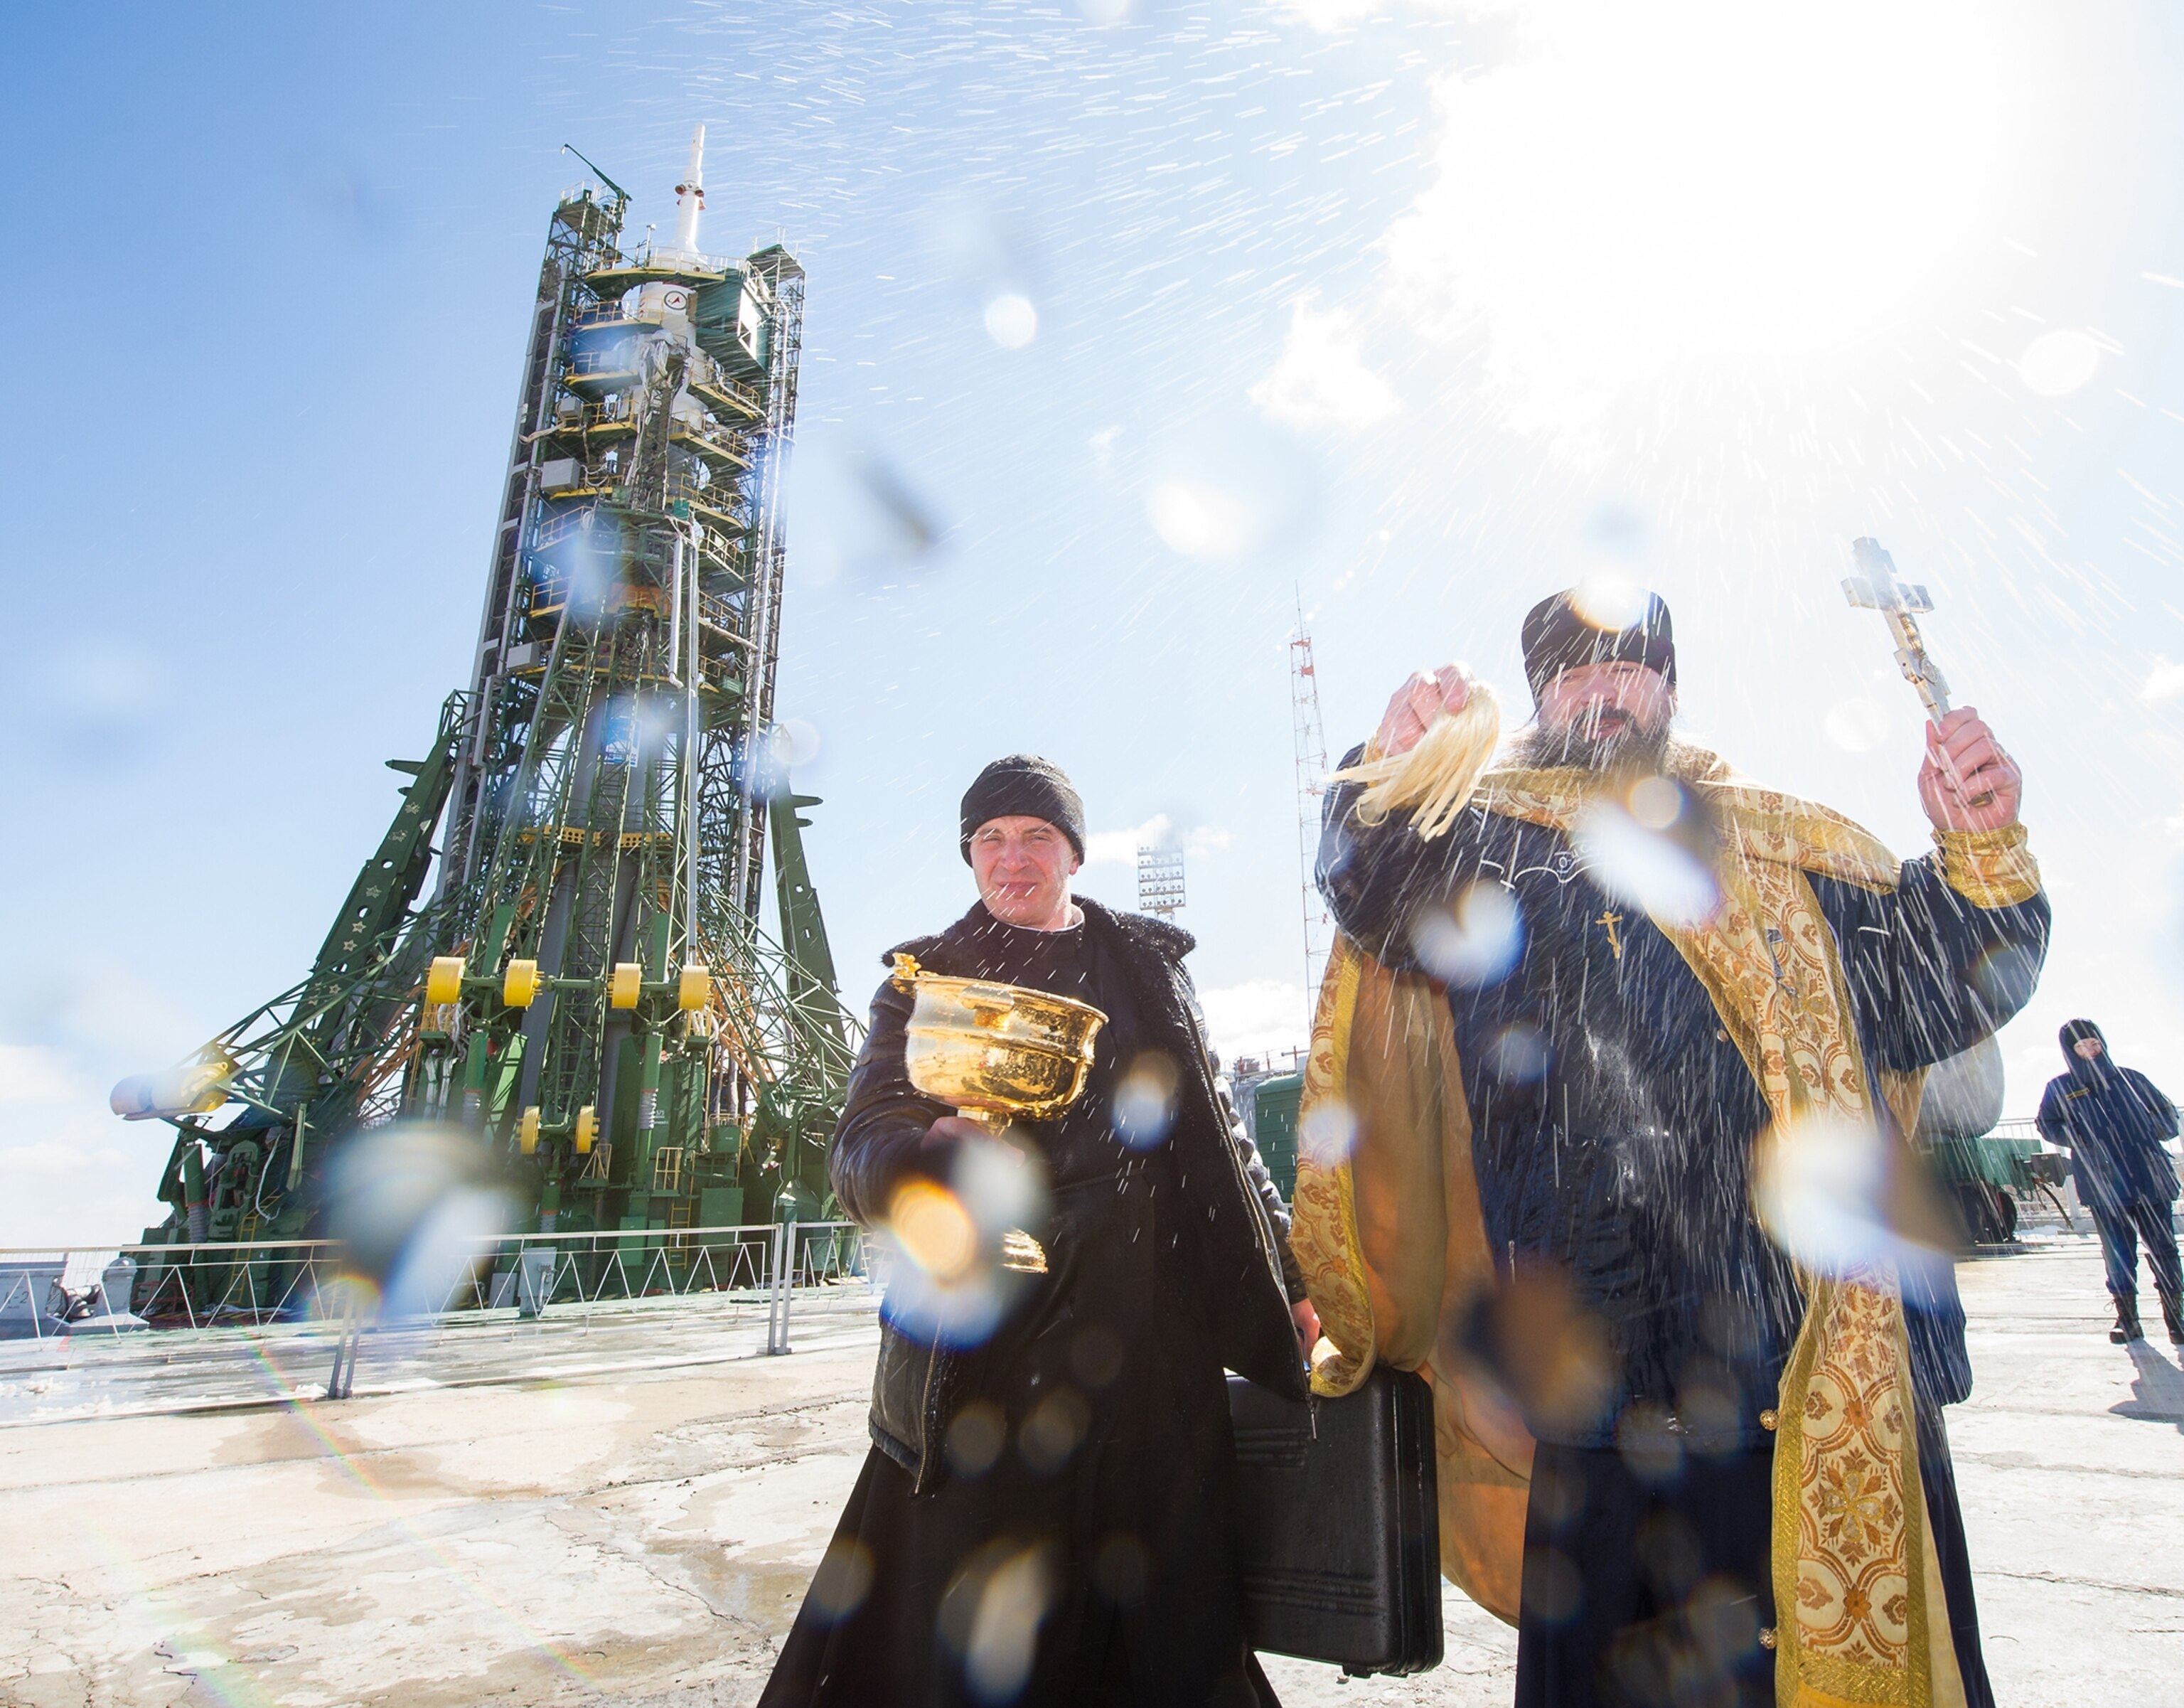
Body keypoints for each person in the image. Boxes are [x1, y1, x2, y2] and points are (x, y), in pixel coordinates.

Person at [1308, 589, 2049, 1708]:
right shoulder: (1494, 847)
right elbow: (1374, 890)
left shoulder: (1782, 844)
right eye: (1570, 671)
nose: (1602, 689)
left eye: (1630, 666)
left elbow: (1943, 983)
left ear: (1669, 686)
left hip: (1829, 1376)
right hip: (1613, 1401)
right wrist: (1387, 772)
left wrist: (1981, 836)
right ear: (1541, 698)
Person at [761, 754, 1318, 1708]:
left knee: (1170, 1597)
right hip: (995, 1338)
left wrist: (1290, 1278)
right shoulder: (924, 982)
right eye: (990, 839)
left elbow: (1224, 1141)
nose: (1011, 859)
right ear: (969, 855)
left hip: (1155, 1330)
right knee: (1000, 1612)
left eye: (1035, 837)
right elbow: (857, 1150)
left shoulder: (1148, 969)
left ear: (1074, 851)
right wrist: (925, 1148)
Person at [2036, 1019, 2183, 1345]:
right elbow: (2047, 1125)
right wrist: (2082, 1137)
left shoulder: (2131, 1080)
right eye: (2081, 1046)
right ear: (2069, 1052)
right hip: (2104, 1186)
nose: (2090, 1050)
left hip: (2149, 1179)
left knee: (2165, 1250)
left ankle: (2177, 1318)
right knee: (2118, 1254)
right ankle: (2128, 1320)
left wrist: (2152, 1130)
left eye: (2094, 1043)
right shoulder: (2060, 1088)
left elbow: (2167, 1115)